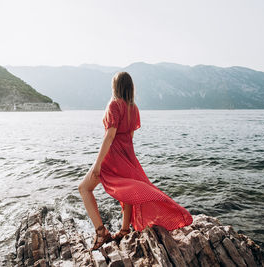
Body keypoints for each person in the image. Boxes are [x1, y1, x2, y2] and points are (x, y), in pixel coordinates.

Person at [78, 72, 193, 251]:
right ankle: (124, 230)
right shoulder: (134, 108)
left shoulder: (114, 105)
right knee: (129, 192)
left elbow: (110, 136)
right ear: (131, 87)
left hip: (113, 156)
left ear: (115, 86)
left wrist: (98, 163)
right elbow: (129, 136)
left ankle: (101, 232)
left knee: (84, 188)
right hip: (128, 154)